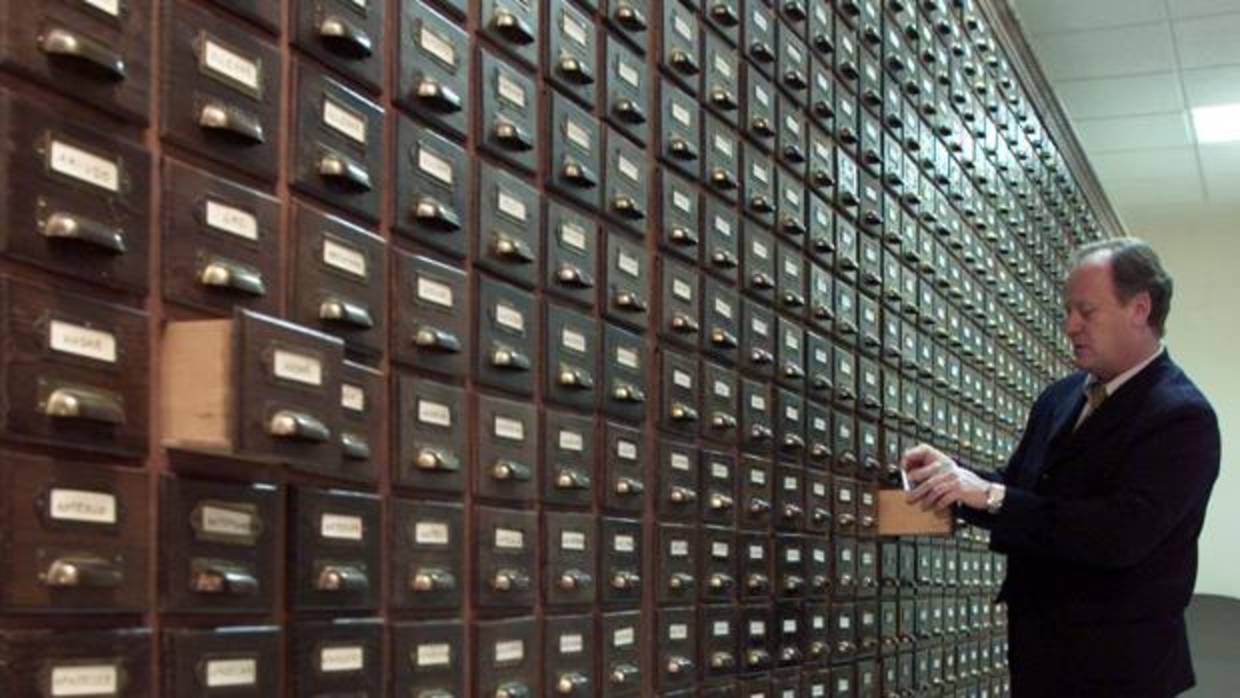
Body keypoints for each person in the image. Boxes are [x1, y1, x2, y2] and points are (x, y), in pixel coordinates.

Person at [900, 238, 1220, 697]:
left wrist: (991, 495)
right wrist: (954, 479)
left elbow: (1121, 535)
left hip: (1119, 670)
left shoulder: (1180, 416)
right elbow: (1021, 491)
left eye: (1086, 311)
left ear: (1139, 308)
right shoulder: (1062, 396)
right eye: (1067, 310)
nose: (1070, 326)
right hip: (1041, 653)